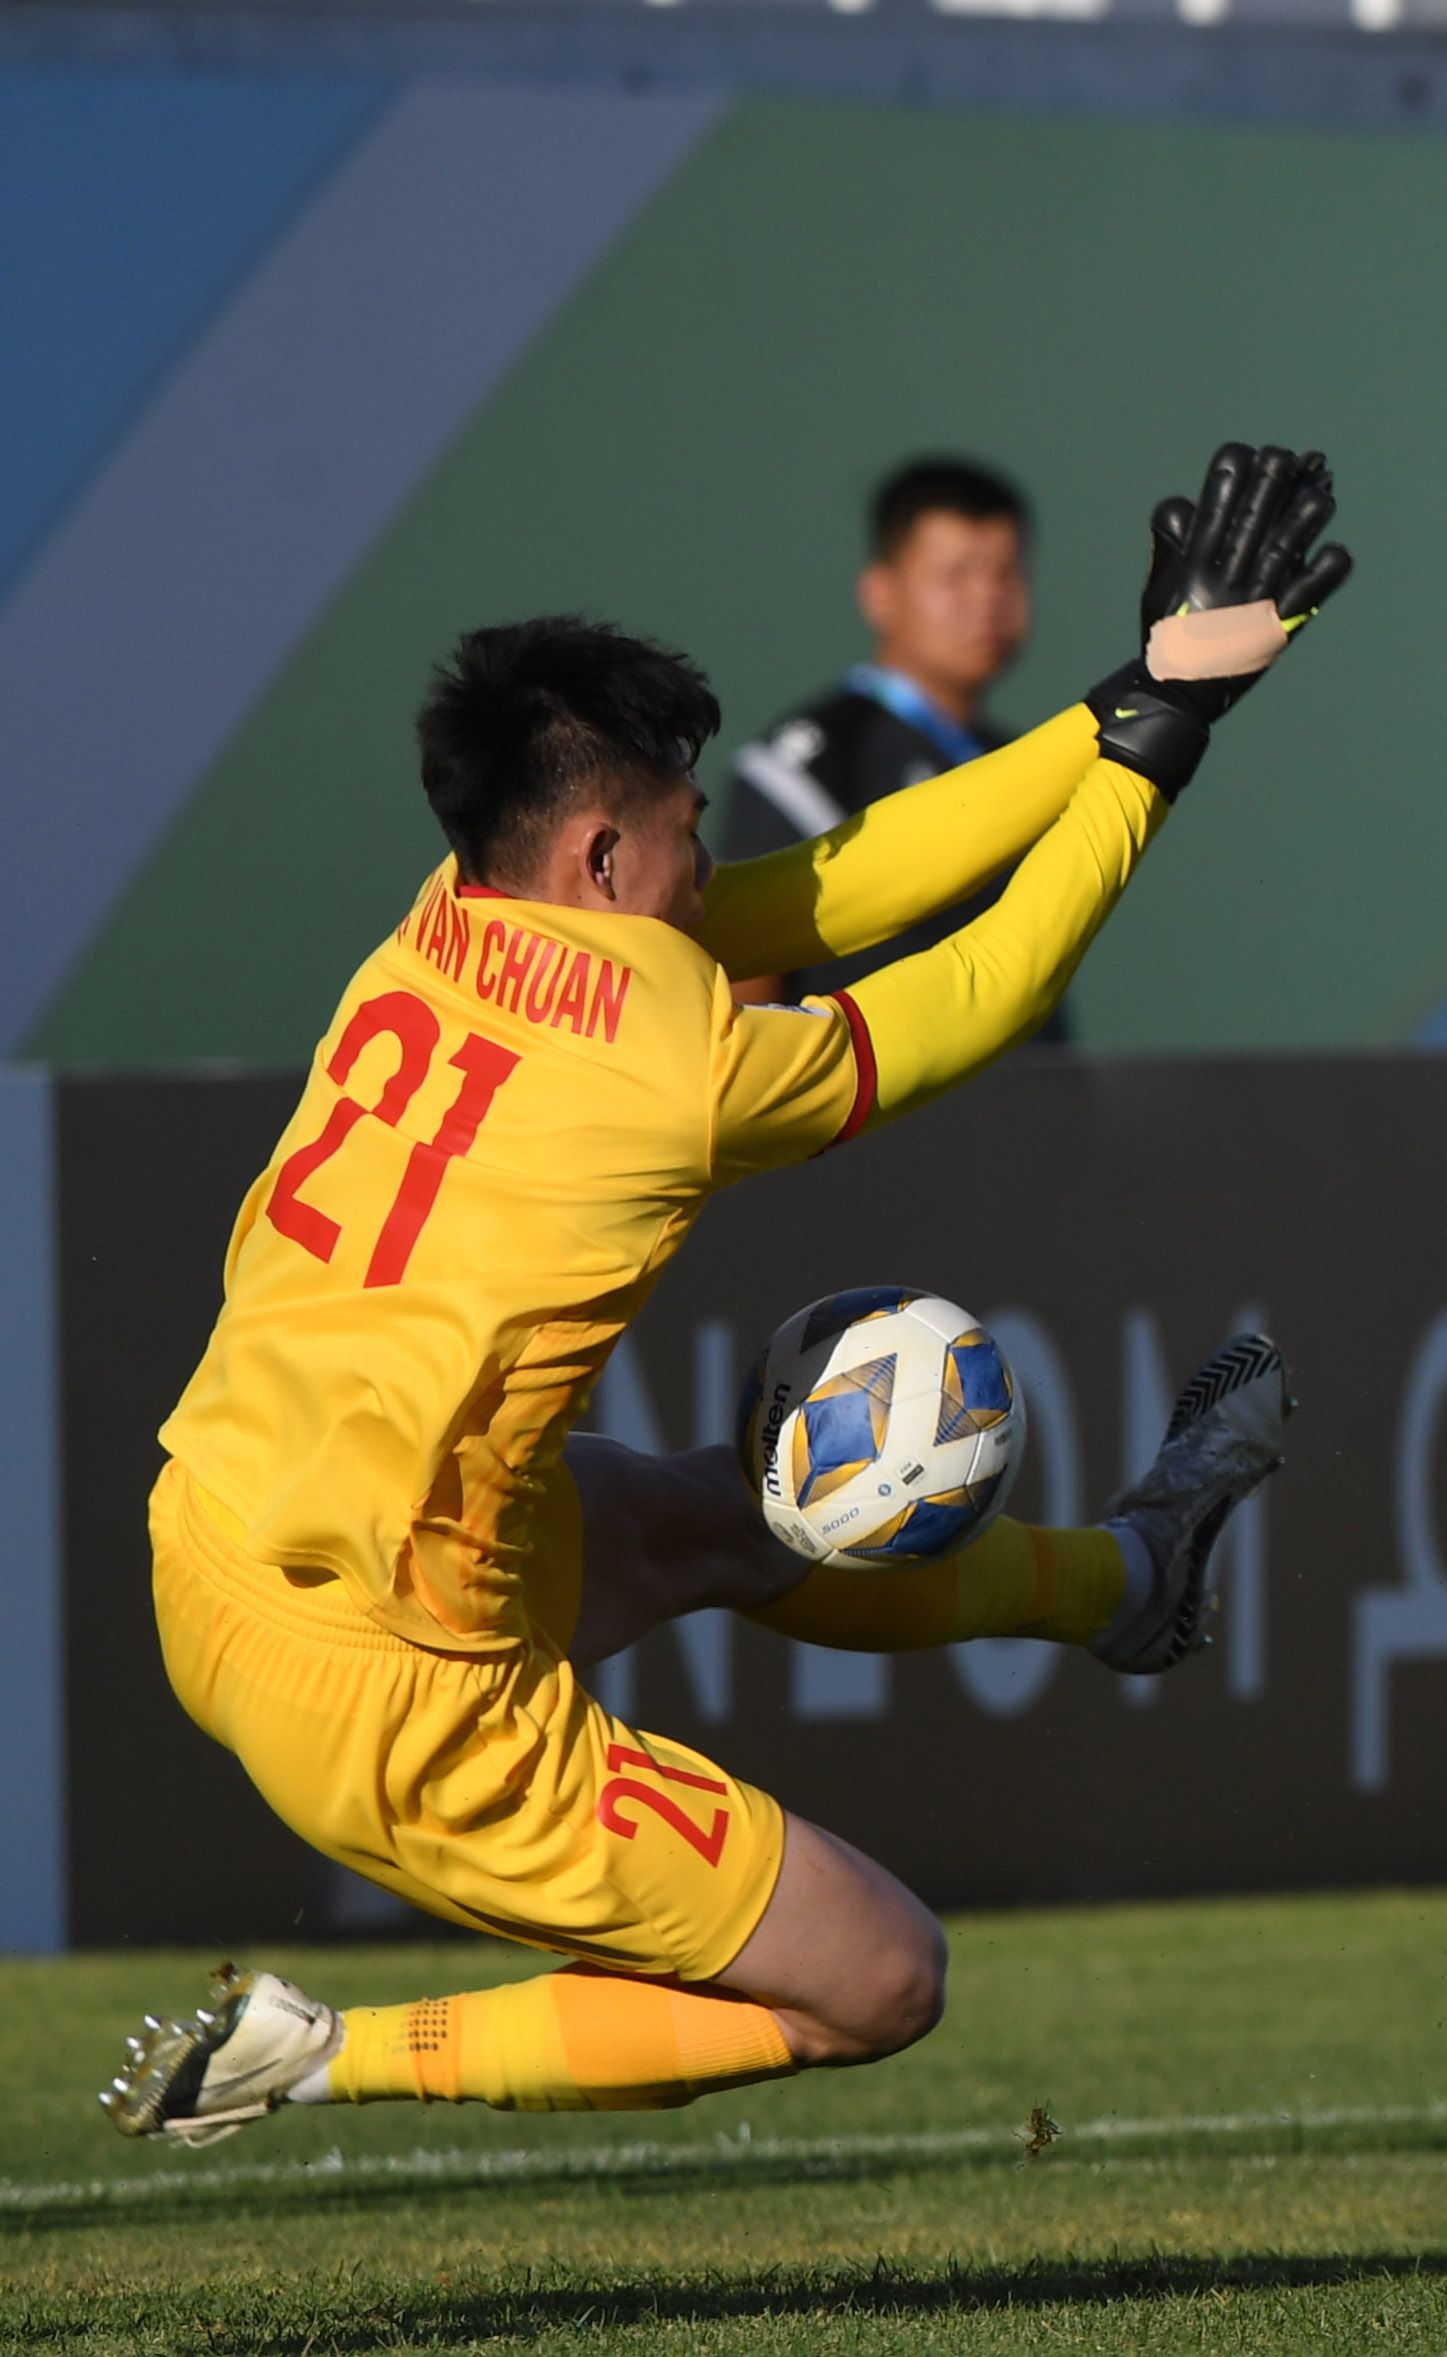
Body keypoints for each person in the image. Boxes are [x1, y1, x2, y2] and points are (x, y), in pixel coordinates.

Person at [98, 444, 1351, 2145]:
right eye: (687, 834)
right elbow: (984, 986)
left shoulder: (451, 913)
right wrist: (1165, 751)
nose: (715, 866)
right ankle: (321, 2053)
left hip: (217, 1541)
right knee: (878, 1978)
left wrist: (1128, 698)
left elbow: (829, 885)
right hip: (403, 1698)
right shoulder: (665, 1064)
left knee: (729, 1520)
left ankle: (1130, 1583)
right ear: (604, 856)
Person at [715, 457, 1060, 1035]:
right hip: (879, 1087)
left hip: (1034, 1082)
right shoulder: (804, 770)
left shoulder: (1023, 758)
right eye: (955, 575)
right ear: (880, 593)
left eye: (1007, 573)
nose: (987, 598)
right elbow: (745, 1002)